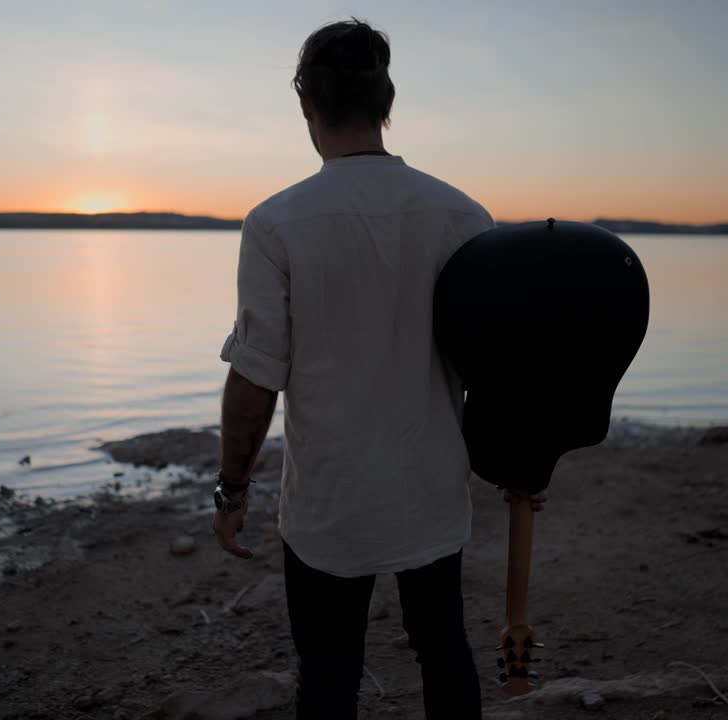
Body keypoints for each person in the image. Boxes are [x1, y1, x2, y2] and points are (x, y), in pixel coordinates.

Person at [211, 18, 542, 719]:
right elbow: (495, 368)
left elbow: (256, 379)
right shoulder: (465, 216)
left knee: (330, 668)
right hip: (429, 490)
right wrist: (521, 459)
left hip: (331, 505)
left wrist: (230, 489)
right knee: (443, 649)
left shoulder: (276, 224)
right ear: (386, 103)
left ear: (308, 106)